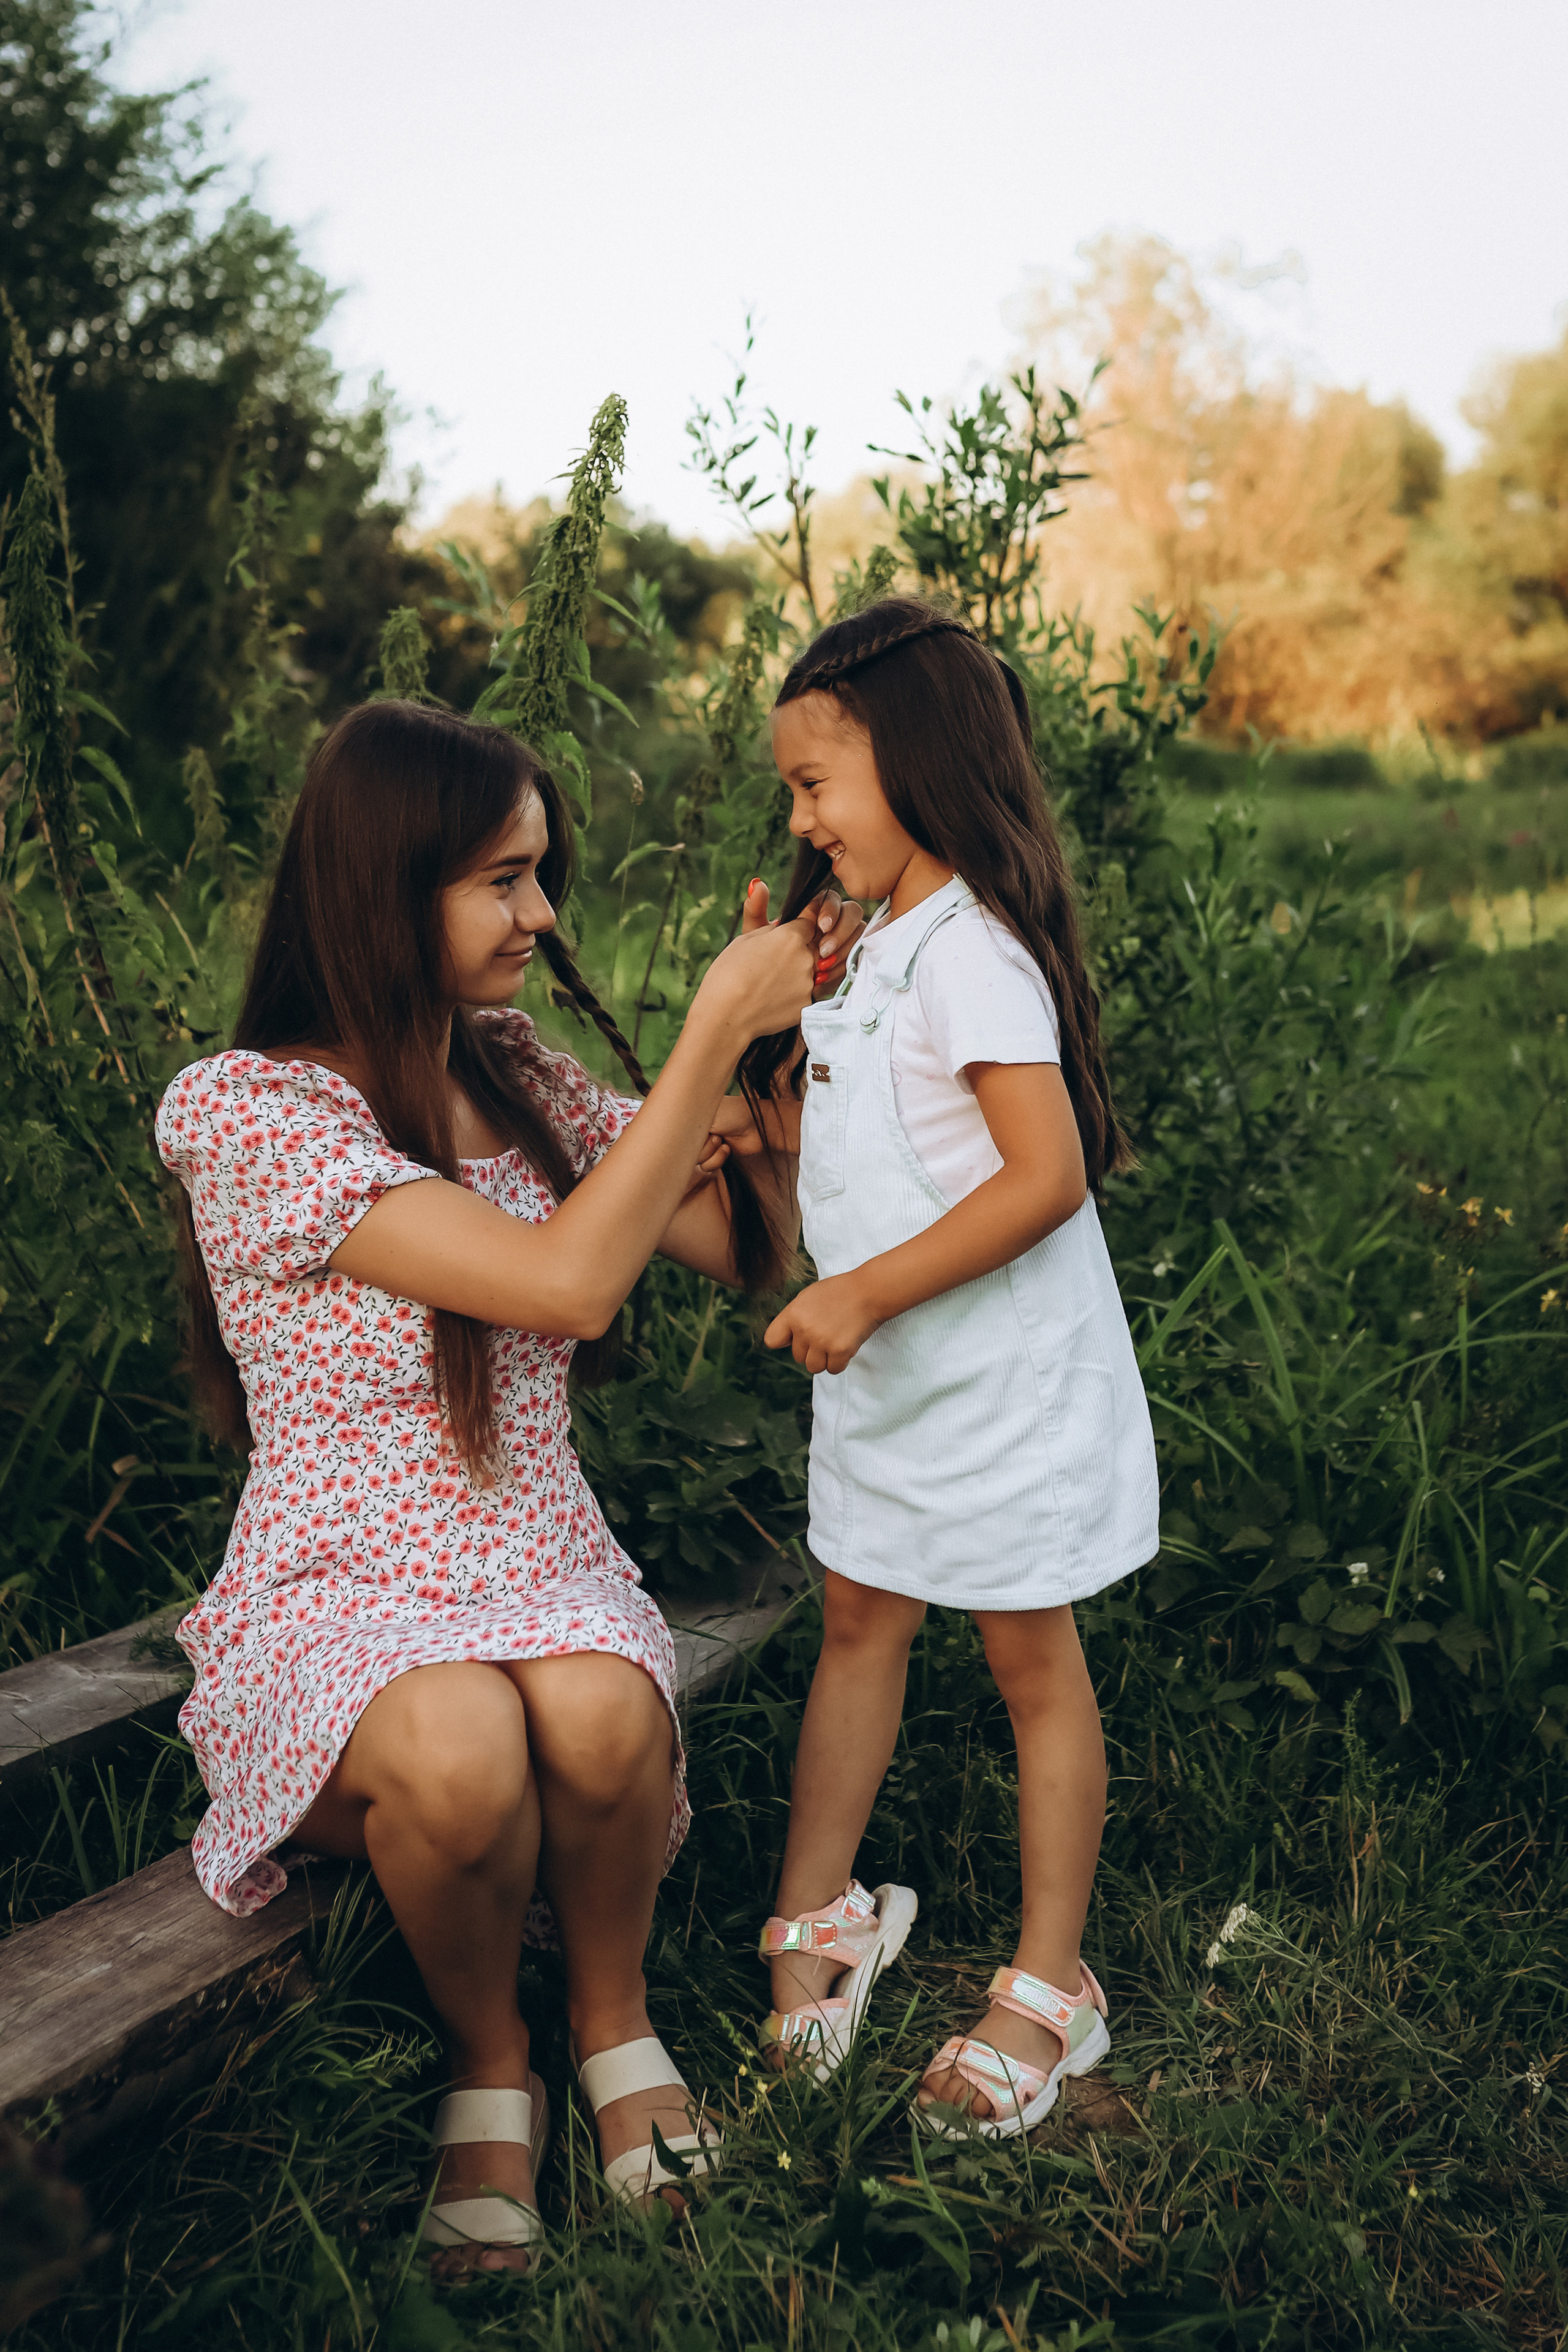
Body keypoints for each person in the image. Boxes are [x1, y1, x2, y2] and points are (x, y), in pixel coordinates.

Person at [156, 699, 860, 2269]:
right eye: (502, 879)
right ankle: (492, 2062)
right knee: (463, 1744)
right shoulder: (253, 1112)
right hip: (339, 1582)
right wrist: (693, 1049)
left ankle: (613, 2020)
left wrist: (764, 1089)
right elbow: (561, 1288)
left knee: (607, 1711)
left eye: (542, 875)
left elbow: (734, 1248)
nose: (542, 915)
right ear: (380, 885)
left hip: (531, 1549)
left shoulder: (517, 1068)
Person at [730, 599, 1159, 2138]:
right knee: (858, 1620)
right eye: (792, 789)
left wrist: (861, 1292)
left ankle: (1052, 1982)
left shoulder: (972, 950)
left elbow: (1044, 1175)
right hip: (895, 1388)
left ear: (916, 766)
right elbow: (902, 1141)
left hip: (992, 1393)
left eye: (815, 785)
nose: (800, 818)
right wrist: (770, 1129)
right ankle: (824, 1910)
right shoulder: (869, 951)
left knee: (1027, 1663)